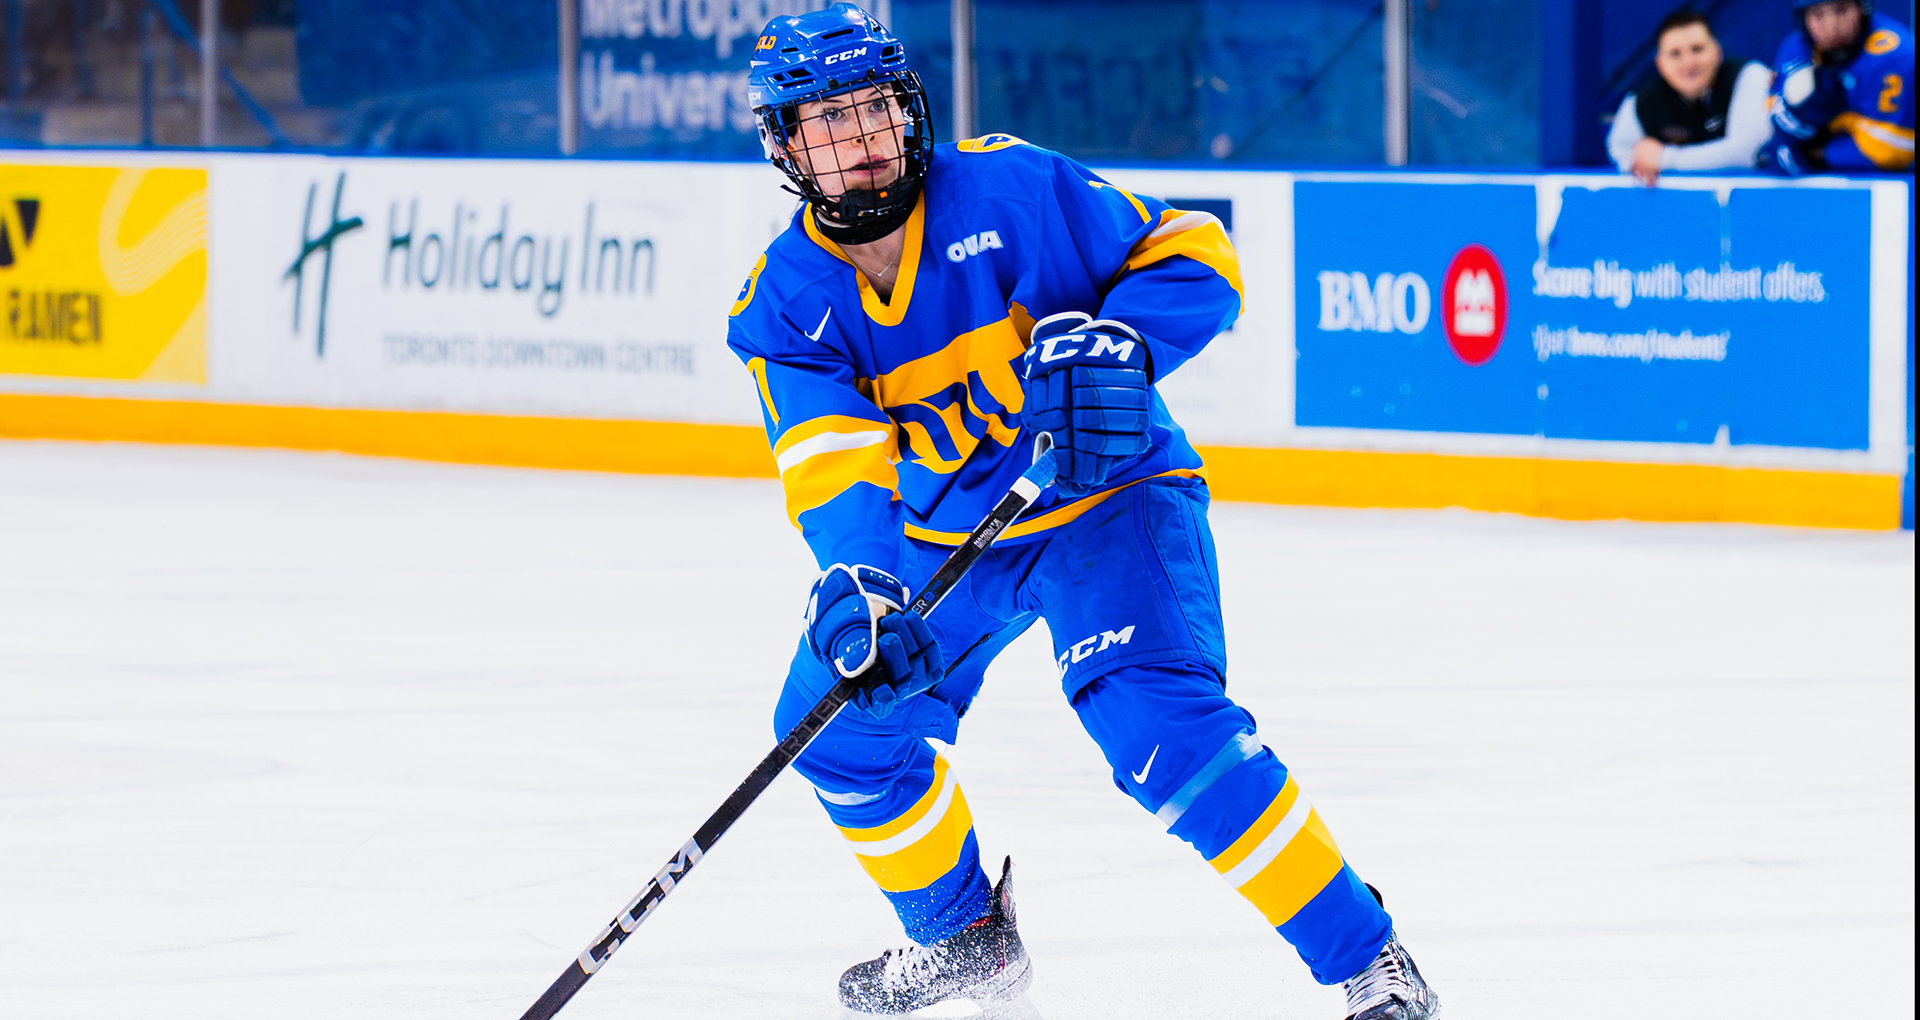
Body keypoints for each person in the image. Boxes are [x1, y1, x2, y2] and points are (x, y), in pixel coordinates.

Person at [725, 5, 1440, 1018]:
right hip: (948, 550)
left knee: (1162, 733)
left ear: (905, 107)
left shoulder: (1012, 189)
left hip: (1104, 498)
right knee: (833, 727)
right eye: (830, 124)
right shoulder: (789, 302)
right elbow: (831, 464)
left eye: (875, 109)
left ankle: (1371, 962)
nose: (864, 139)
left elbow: (1198, 255)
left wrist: (1126, 340)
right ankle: (963, 936)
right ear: (788, 147)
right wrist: (862, 586)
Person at [1607, 10, 1773, 184]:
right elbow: (1622, 152)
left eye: (1697, 49)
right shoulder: (1640, 102)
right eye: (1675, 54)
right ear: (1659, 63)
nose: (1688, 62)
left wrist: (1663, 158)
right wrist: (1639, 161)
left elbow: (1747, 153)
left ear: (1717, 51)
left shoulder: (1750, 76)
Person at [1765, 0, 1915, 172]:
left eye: (1841, 10)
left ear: (1862, 8)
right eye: (1818, 14)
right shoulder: (1795, 48)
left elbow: (1898, 147)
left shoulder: (1894, 55)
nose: (1832, 25)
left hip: (1885, 181)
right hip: (1804, 177)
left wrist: (1822, 152)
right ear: (1804, 17)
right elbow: (1773, 119)